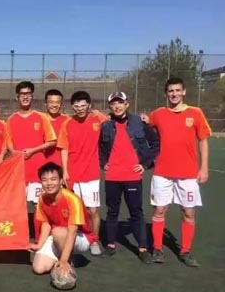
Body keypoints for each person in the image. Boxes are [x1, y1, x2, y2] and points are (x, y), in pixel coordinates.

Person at [146, 77, 211, 267]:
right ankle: (157, 249)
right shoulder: (158, 114)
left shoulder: (196, 113)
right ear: (166, 94)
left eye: (177, 90)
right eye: (170, 91)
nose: (174, 94)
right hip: (162, 172)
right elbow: (143, 125)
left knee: (188, 212)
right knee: (159, 210)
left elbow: (203, 140)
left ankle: (185, 251)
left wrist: (204, 168)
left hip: (188, 173)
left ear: (183, 92)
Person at [99, 92, 159, 263]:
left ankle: (143, 248)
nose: (116, 106)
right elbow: (100, 148)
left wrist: (145, 164)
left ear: (127, 104)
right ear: (110, 107)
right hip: (112, 177)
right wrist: (103, 163)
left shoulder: (139, 123)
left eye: (120, 102)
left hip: (132, 176)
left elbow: (156, 143)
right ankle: (110, 245)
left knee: (136, 212)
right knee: (112, 212)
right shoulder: (106, 126)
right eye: (113, 104)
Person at [56, 91, 104, 256]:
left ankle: (94, 240)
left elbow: (114, 122)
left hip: (91, 175)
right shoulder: (67, 123)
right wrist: (65, 171)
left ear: (89, 105)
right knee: (73, 210)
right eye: (76, 106)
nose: (80, 108)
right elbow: (63, 148)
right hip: (73, 175)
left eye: (83, 105)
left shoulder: (98, 120)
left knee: (92, 210)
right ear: (72, 107)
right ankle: (72, 238)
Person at [28, 162, 96, 276]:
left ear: (61, 181)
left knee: (58, 232)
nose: (49, 183)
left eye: (53, 179)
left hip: (81, 237)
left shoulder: (73, 199)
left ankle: (68, 261)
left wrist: (64, 260)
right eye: (44, 180)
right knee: (38, 268)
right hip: (57, 235)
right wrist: (39, 245)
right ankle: (66, 258)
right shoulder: (42, 199)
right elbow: (46, 224)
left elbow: (72, 232)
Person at [7, 81, 57, 203]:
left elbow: (52, 141)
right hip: (19, 170)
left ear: (32, 96)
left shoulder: (42, 117)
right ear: (17, 97)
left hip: (37, 170)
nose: (25, 97)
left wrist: (33, 151)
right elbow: (8, 142)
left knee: (38, 205)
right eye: (22, 94)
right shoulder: (11, 119)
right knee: (19, 205)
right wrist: (15, 153)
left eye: (28, 94)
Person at [43, 89, 69, 166]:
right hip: (43, 166)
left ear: (61, 104)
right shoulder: (39, 119)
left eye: (57, 102)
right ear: (45, 103)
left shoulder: (67, 121)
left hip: (62, 166)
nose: (54, 105)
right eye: (51, 102)